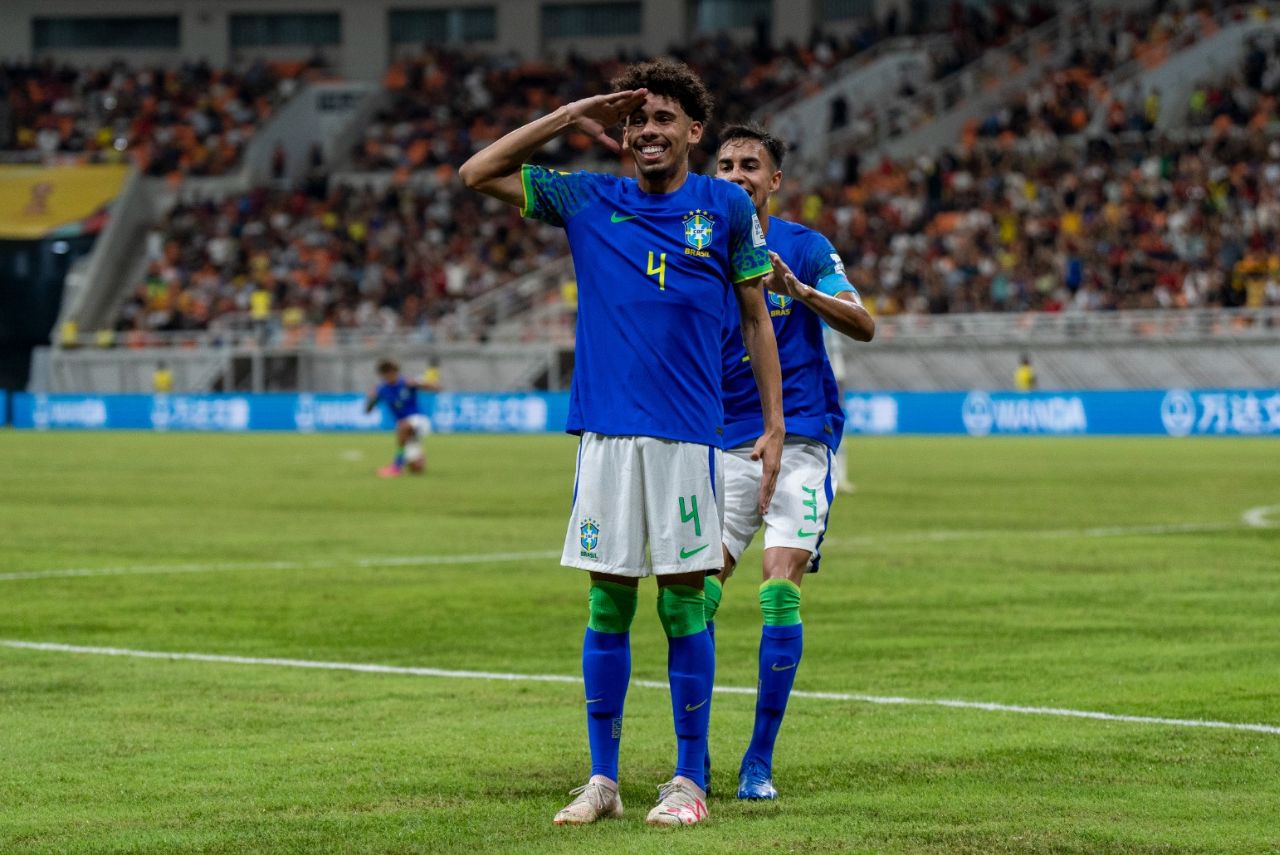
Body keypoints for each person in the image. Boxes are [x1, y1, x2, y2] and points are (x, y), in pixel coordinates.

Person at [459, 59, 785, 827]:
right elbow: (478, 172)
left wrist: (773, 426)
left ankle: (686, 780)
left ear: (694, 132)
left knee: (682, 609)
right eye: (637, 120)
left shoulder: (727, 207)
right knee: (607, 601)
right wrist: (570, 112)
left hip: (684, 436)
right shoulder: (586, 197)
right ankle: (602, 780)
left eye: (664, 118)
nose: (647, 131)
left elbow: (755, 319)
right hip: (605, 433)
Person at [710, 123, 876, 800]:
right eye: (724, 164)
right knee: (692, 598)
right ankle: (691, 757)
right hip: (720, 444)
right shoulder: (694, 247)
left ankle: (757, 761)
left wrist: (801, 291)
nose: (737, 174)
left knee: (779, 586)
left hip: (800, 440)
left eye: (751, 165)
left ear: (774, 180)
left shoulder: (805, 248)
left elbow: (864, 322)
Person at [364, 358, 438, 477]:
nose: (389, 376)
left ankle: (397, 466)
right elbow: (367, 411)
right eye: (385, 373)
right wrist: (371, 399)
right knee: (417, 470)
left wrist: (423, 383)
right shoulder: (381, 389)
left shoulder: (407, 383)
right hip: (406, 430)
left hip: (419, 421)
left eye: (391, 372)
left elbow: (437, 388)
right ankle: (417, 455)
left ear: (396, 372)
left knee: (402, 425)